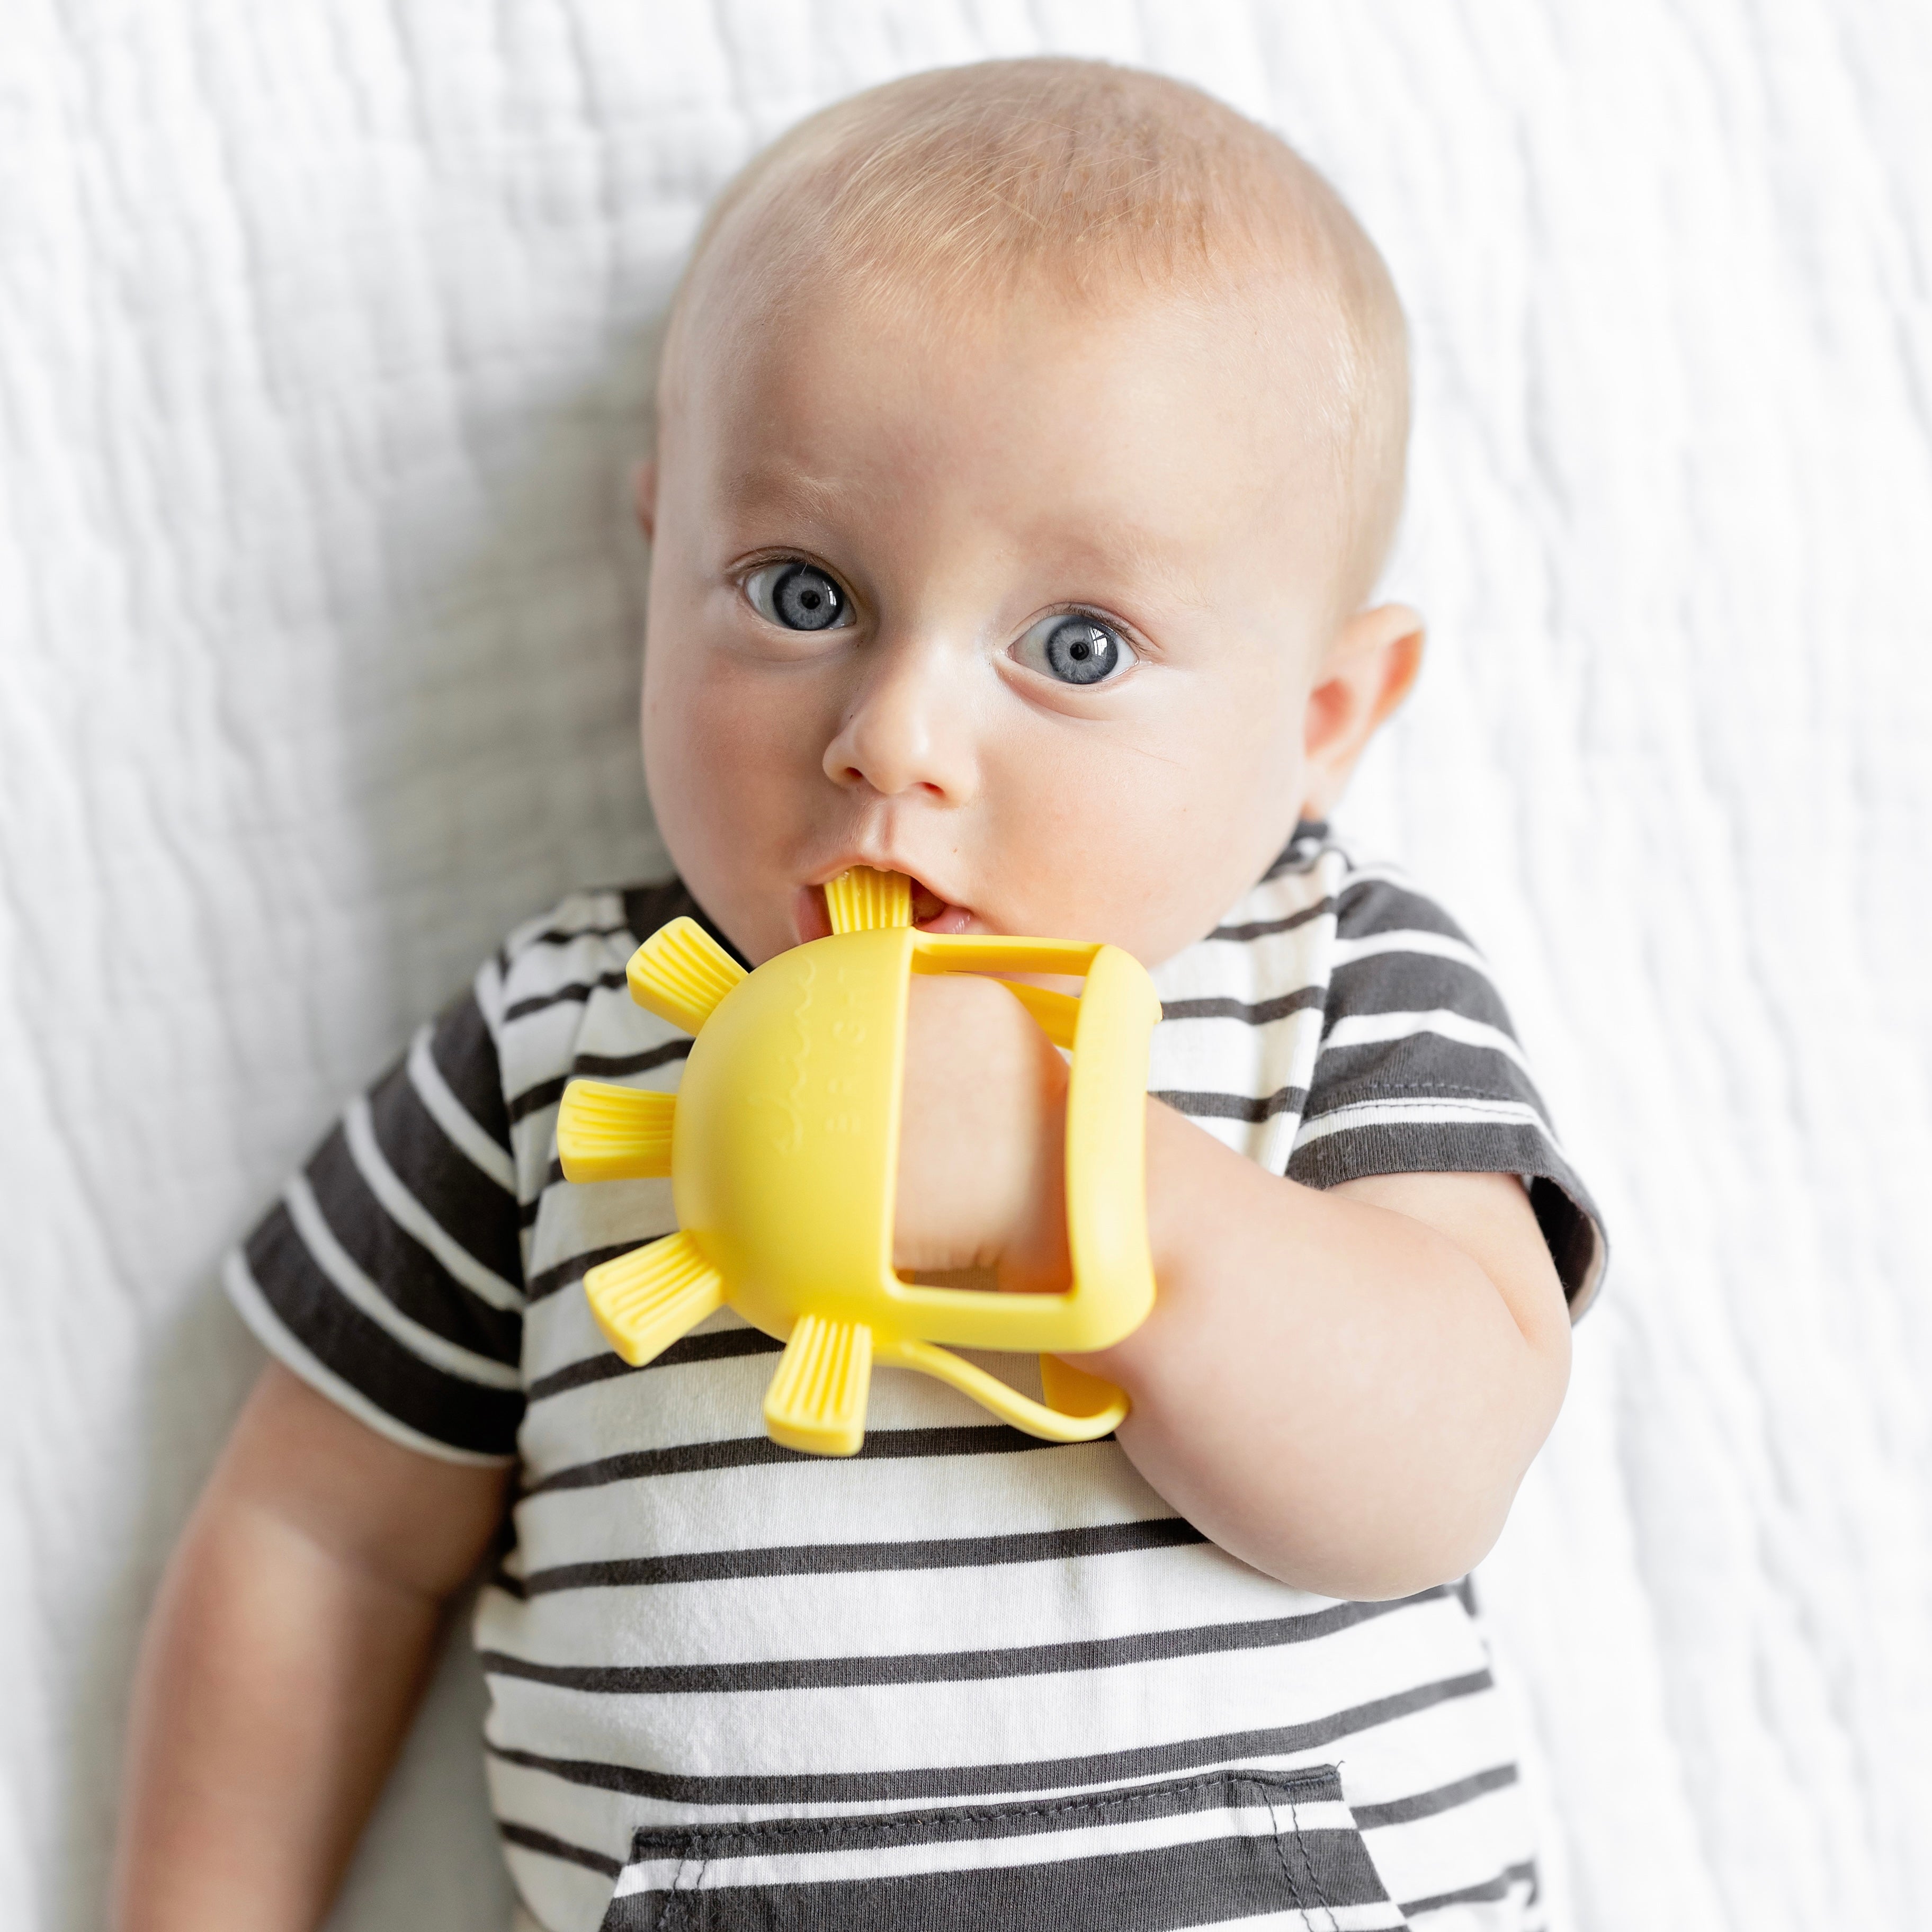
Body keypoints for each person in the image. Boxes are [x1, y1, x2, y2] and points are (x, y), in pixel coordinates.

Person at [113, 57, 1605, 1932]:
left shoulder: (1327, 980)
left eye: (1077, 646)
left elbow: (1442, 1459)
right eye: (803, 593)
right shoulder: (567, 1040)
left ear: (1318, 725)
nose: (892, 739)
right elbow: (318, 1540)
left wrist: (1087, 1177)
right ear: (661, 561)